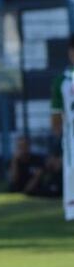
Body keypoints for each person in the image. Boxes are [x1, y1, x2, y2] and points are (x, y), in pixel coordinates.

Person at [50, 32, 74, 220]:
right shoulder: (63, 80)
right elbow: (56, 113)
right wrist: (57, 131)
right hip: (71, 131)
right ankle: (71, 208)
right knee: (71, 168)